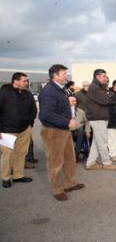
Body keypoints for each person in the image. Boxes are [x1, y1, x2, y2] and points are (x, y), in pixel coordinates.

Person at [38, 64, 84, 201]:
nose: (66, 76)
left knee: (70, 159)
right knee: (55, 162)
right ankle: (56, 189)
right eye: (64, 74)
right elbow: (45, 115)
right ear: (55, 75)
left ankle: (70, 183)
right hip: (54, 131)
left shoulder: (60, 89)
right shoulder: (49, 92)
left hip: (63, 131)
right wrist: (66, 122)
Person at [0, 72, 37, 188]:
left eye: (27, 81)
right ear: (15, 81)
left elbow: (33, 110)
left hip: (24, 129)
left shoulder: (28, 94)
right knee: (7, 155)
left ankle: (18, 176)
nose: (27, 83)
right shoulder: (4, 93)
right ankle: (5, 178)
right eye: (24, 81)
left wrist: (30, 124)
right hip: (7, 130)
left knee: (21, 153)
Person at [85, 69, 116, 171]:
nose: (105, 78)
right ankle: (107, 162)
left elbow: (111, 98)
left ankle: (90, 163)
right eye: (104, 76)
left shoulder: (100, 87)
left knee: (96, 142)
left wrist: (109, 97)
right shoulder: (94, 88)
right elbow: (106, 100)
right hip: (97, 118)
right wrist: (109, 97)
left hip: (100, 118)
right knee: (103, 142)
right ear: (97, 76)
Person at [68, 96, 91, 161]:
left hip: (78, 130)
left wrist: (88, 131)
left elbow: (87, 122)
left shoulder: (80, 111)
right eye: (72, 101)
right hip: (68, 130)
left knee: (81, 133)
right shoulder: (64, 111)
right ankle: (72, 155)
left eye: (75, 101)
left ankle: (75, 155)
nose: (74, 102)